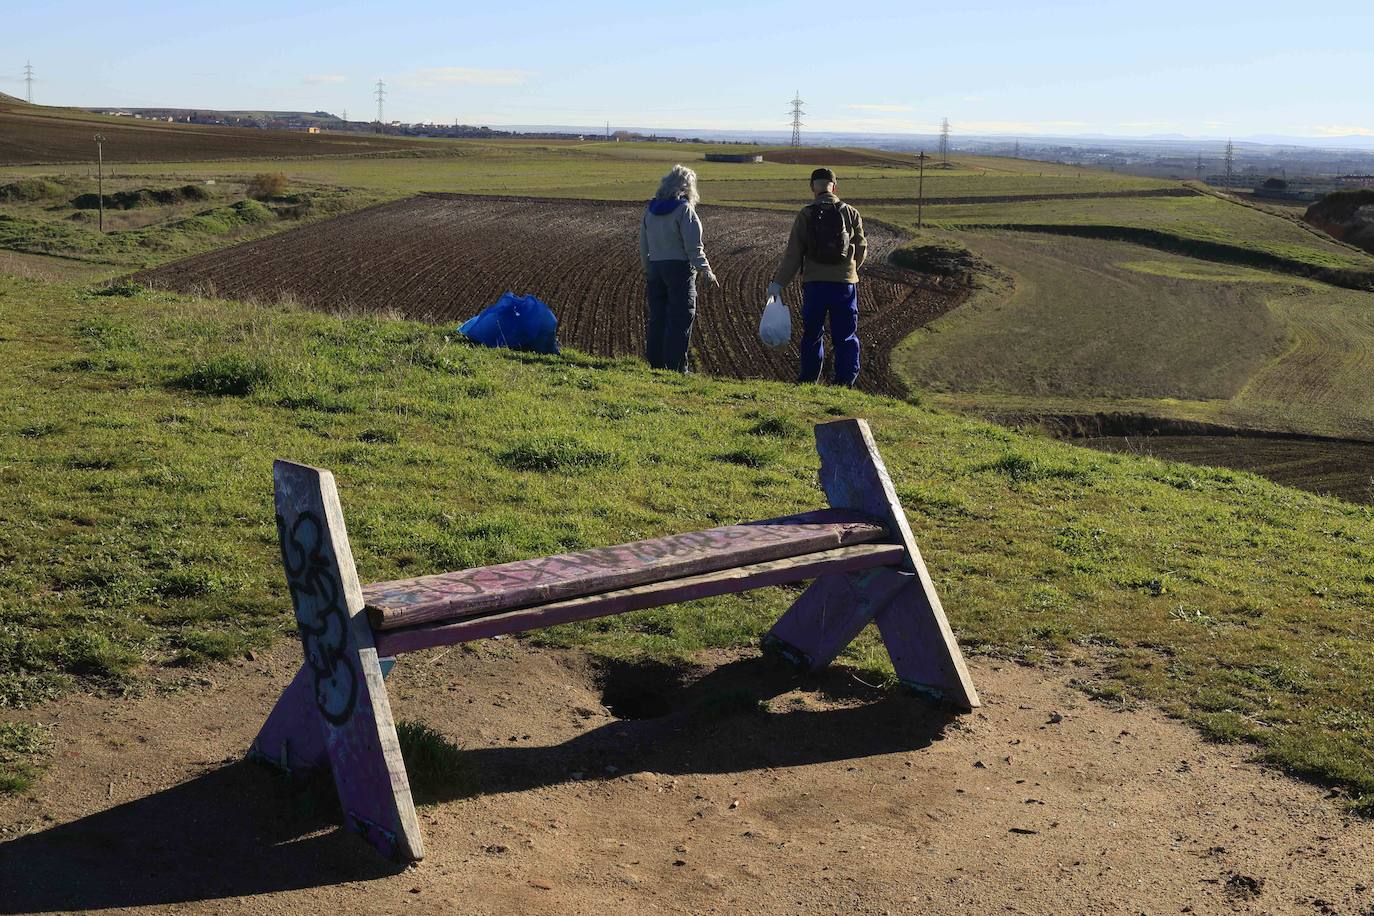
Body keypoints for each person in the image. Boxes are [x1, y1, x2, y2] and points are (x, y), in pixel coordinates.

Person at [766, 167, 867, 386]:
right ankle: (845, 382)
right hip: (844, 285)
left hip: (815, 284)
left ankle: (809, 379)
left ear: (813, 187)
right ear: (834, 186)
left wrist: (778, 283)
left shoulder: (806, 214)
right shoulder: (850, 213)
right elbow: (861, 247)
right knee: (846, 336)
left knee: (812, 334)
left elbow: (793, 254)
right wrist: (851, 270)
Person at [639, 164, 718, 372]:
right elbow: (694, 246)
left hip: (655, 268)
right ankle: (676, 367)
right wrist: (706, 271)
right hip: (679, 270)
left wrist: (647, 268)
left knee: (658, 317)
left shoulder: (651, 210)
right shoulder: (684, 210)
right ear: (687, 187)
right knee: (680, 317)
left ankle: (656, 363)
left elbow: (643, 243)